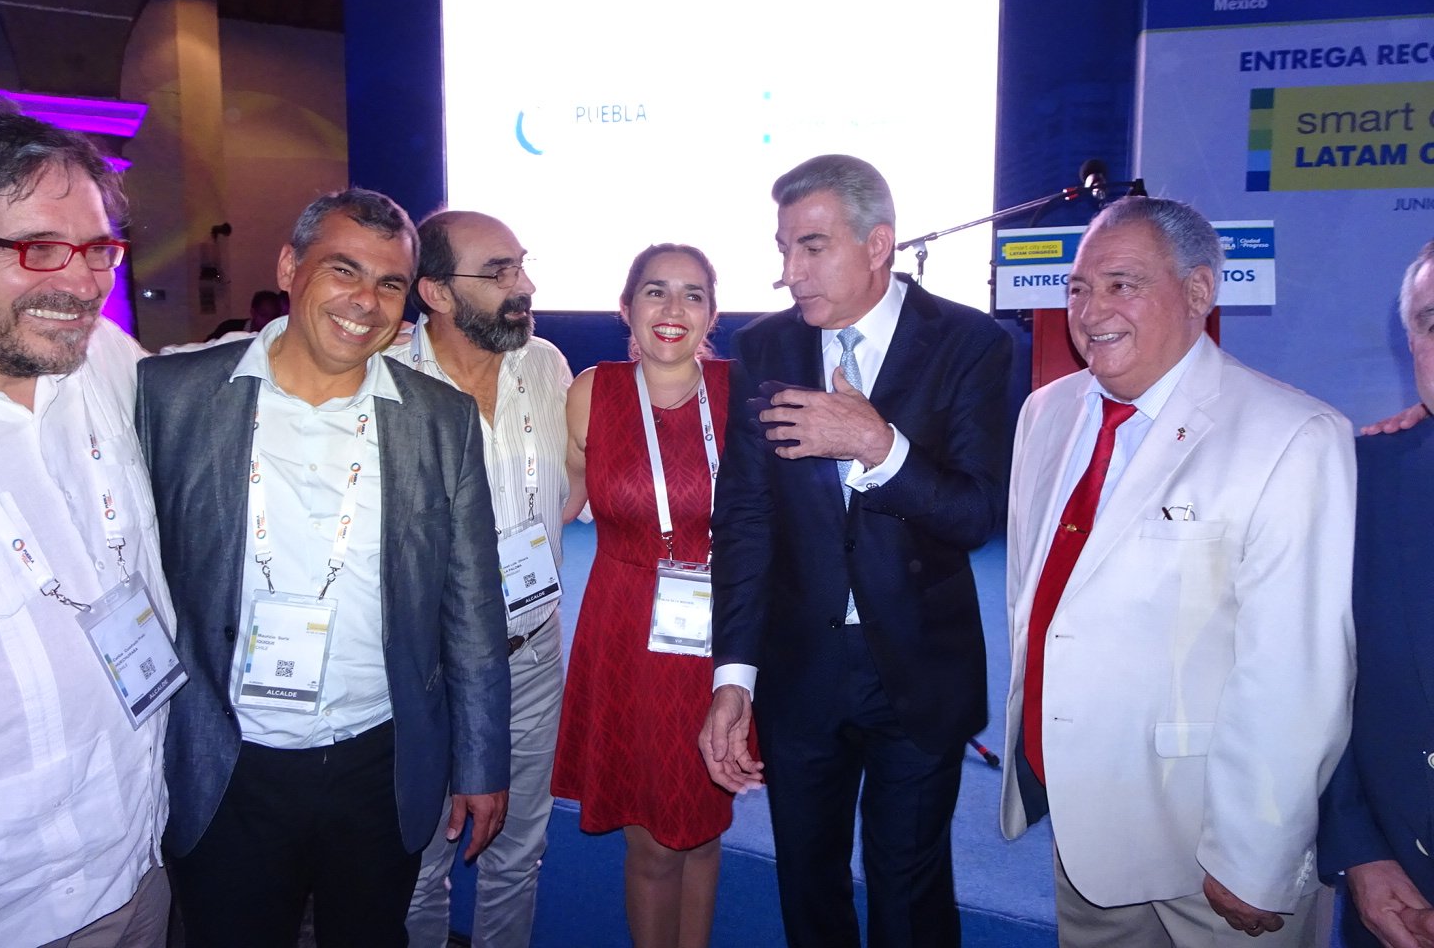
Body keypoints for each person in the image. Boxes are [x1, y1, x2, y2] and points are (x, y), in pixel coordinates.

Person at [135, 188, 511, 948]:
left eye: (389, 283)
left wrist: (482, 761)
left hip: (380, 756)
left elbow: (472, 603)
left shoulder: (440, 420)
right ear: (289, 267)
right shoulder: (173, 397)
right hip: (227, 760)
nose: (365, 301)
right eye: (344, 270)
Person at [1000, 195, 1355, 945]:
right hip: (1083, 828)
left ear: (1198, 291)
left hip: (1208, 848)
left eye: (1122, 284)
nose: (1091, 311)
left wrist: (1254, 855)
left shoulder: (1292, 436)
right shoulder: (1046, 413)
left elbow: (1295, 672)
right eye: (1079, 287)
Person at [700, 154, 1012, 947]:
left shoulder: (970, 343)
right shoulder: (766, 347)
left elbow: (976, 513)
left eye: (811, 246)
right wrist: (734, 676)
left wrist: (880, 447)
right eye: (783, 248)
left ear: (878, 244)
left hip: (918, 664)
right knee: (808, 884)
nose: (789, 272)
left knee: (909, 891)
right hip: (798, 669)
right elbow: (745, 521)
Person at [0, 104, 176, 946]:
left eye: (99, 248)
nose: (80, 284)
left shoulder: (103, 358)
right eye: (39, 248)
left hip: (140, 854)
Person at [397, 210, 571, 948]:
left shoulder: (547, 366)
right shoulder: (386, 381)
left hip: (533, 652)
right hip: (430, 669)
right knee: (420, 861)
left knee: (519, 852)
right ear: (436, 292)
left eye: (521, 265)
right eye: (499, 273)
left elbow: (573, 482)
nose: (523, 285)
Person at [553, 243, 732, 948]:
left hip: (721, 631)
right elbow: (564, 496)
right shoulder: (592, 392)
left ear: (712, 313)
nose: (673, 308)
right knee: (654, 841)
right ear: (626, 307)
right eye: (656, 291)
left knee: (707, 829)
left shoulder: (740, 392)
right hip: (626, 627)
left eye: (693, 293)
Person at [1319, 240, 1434, 948]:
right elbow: (1315, 679)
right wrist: (1360, 850)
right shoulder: (1360, 480)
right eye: (1433, 321)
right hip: (1398, 895)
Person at [206, 288, 283, 340]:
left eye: (274, 317)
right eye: (263, 315)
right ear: (253, 312)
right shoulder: (229, 328)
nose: (268, 321)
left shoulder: (277, 336)